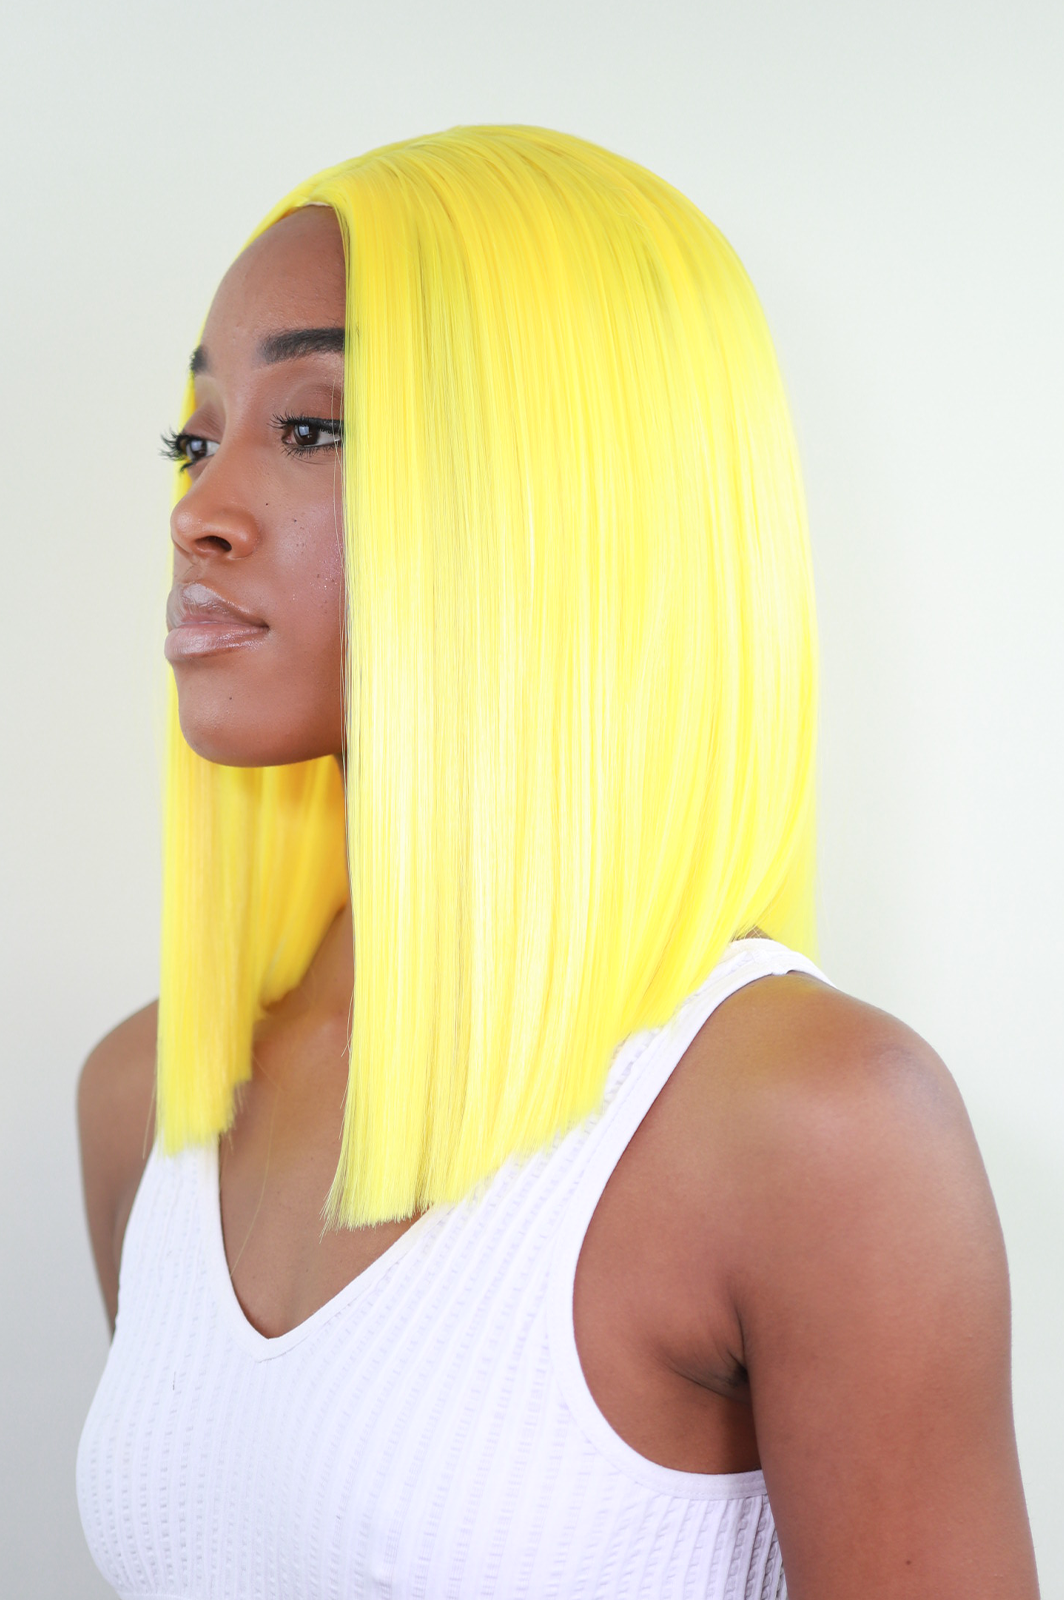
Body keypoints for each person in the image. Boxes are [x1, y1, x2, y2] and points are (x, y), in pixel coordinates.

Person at [75, 126, 1039, 1599]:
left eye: (314, 428)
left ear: (553, 491)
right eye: (194, 439)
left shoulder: (815, 1126)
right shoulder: (149, 1097)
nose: (196, 512)